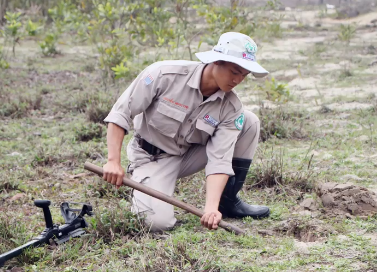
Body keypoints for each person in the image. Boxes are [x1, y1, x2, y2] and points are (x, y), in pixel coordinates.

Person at [101, 32, 270, 231]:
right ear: (217, 61)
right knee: (155, 223)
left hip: (189, 155)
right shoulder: (164, 74)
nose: (238, 80)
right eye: (234, 71)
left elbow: (219, 159)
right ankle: (147, 185)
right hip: (151, 158)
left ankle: (227, 202)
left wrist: (211, 208)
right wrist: (113, 161)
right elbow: (121, 113)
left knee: (248, 121)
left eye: (244, 75)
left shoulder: (231, 107)